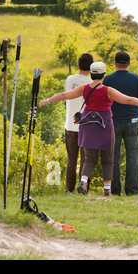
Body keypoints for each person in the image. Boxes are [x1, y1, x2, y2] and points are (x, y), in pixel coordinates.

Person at [39, 61, 138, 196]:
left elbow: (65, 95)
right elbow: (129, 100)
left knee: (90, 158)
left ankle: (83, 180)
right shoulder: (108, 90)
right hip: (104, 126)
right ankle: (107, 190)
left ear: (91, 74)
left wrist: (47, 100)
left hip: (88, 126)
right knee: (108, 159)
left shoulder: (84, 88)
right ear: (104, 75)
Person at [103, 51, 138, 196]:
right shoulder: (137, 79)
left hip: (113, 123)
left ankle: (115, 191)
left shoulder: (108, 80)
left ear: (115, 63)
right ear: (129, 63)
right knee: (134, 157)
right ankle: (132, 191)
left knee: (113, 158)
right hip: (133, 121)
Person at [62, 53, 93, 193]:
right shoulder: (92, 83)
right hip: (86, 126)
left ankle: (69, 189)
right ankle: (83, 187)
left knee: (71, 160)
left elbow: (66, 95)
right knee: (86, 160)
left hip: (70, 124)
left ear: (78, 65)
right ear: (91, 68)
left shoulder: (69, 79)